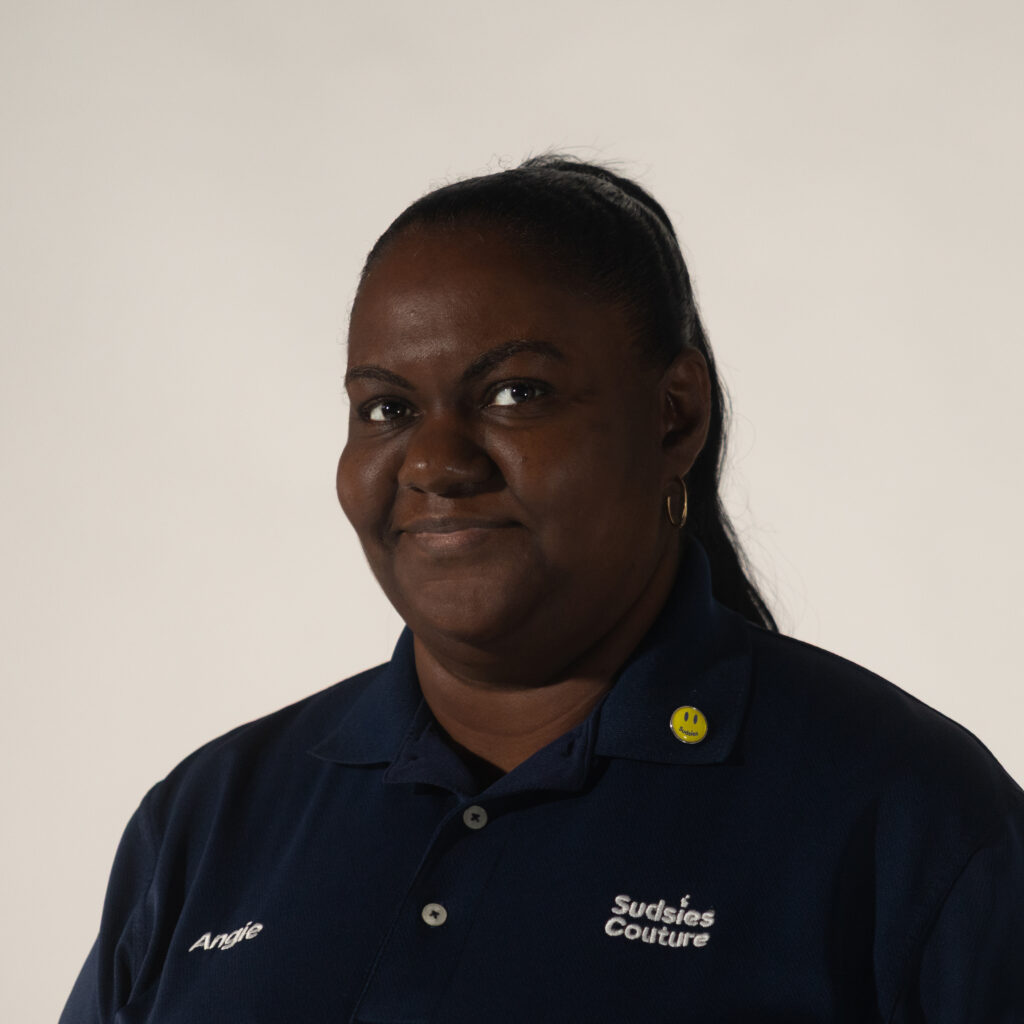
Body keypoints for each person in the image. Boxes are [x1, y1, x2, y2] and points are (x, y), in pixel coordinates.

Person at [61, 156, 1024, 1023]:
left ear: (674, 417)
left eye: (515, 393)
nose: (435, 461)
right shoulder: (209, 821)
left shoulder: (913, 820)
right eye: (387, 408)